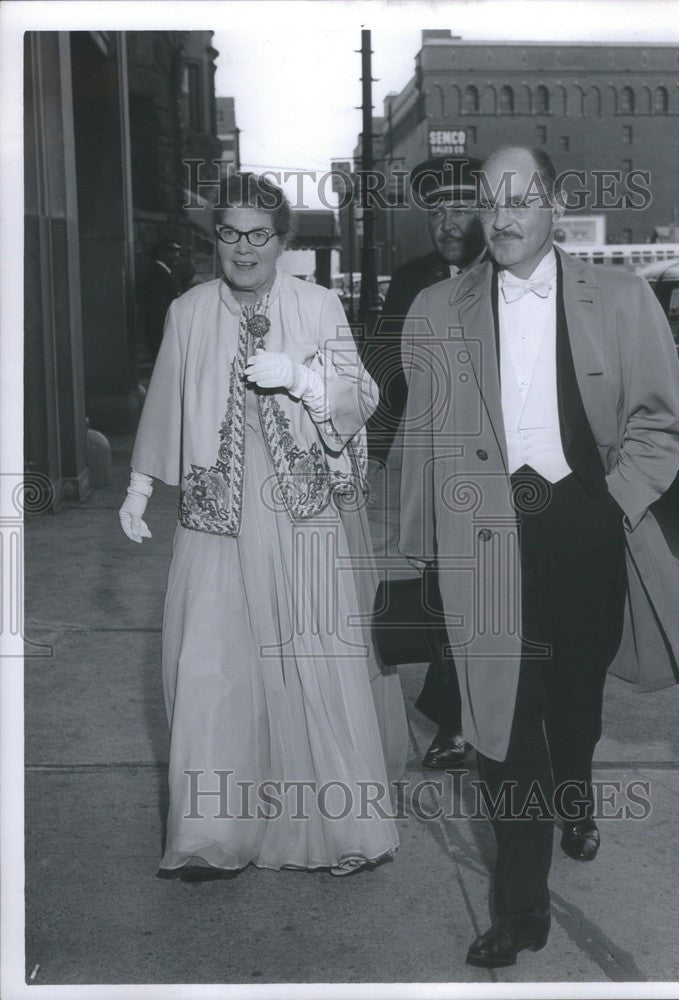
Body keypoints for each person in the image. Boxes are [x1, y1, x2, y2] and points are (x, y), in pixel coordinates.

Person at [398, 146, 679, 967]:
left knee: (573, 696)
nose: (501, 218)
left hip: (584, 525)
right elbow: (425, 440)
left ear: (554, 206)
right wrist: (430, 548)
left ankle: (575, 791)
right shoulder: (437, 308)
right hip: (484, 538)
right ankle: (520, 908)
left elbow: (660, 424)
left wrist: (611, 501)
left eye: (521, 199)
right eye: (489, 201)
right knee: (503, 723)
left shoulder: (619, 298)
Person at [119, 173, 407, 882]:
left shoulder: (316, 305)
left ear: (282, 241)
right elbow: (164, 401)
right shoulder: (187, 311)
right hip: (216, 517)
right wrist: (137, 485)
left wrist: (305, 382)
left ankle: (341, 827)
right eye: (228, 233)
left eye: (258, 235)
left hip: (299, 515)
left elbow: (361, 395)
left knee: (316, 662)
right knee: (212, 665)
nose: (242, 249)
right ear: (212, 238)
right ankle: (212, 834)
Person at [365, 156, 484, 772]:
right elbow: (388, 373)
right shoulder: (412, 280)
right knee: (440, 592)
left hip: (504, 474)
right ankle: (455, 719)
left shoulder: (512, 273)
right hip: (436, 472)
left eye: (461, 207)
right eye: (436, 211)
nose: (446, 222)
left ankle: (483, 713)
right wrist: (372, 455)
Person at [141, 239, 182, 360]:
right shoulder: (157, 274)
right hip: (161, 332)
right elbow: (159, 307)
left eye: (177, 252)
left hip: (162, 331)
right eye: (172, 251)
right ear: (161, 253)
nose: (176, 256)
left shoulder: (163, 272)